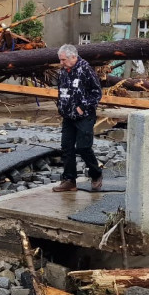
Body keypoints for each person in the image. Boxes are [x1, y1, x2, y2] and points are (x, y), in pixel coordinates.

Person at [53, 44, 104, 192]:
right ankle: (69, 180)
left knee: (83, 147)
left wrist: (82, 107)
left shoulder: (85, 70)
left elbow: (97, 93)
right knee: (66, 148)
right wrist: (61, 108)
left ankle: (96, 174)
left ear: (73, 57)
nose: (61, 63)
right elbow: (61, 91)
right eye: (60, 60)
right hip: (68, 116)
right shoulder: (63, 72)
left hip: (84, 116)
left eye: (63, 60)